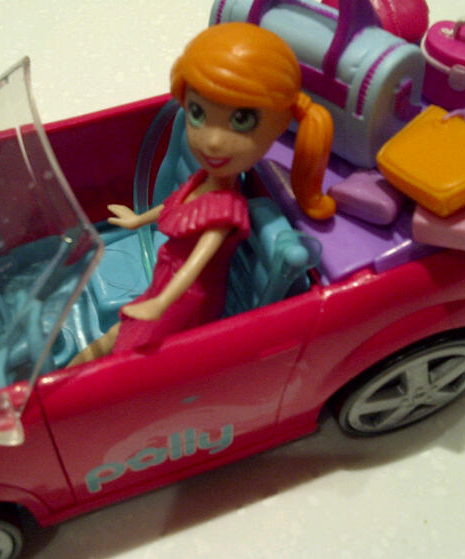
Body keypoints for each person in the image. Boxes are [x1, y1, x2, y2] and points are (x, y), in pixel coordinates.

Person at [68, 22, 333, 365]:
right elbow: (174, 204)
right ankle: (56, 380)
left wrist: (161, 304)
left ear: (280, 124)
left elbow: (197, 264)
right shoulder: (204, 179)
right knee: (116, 337)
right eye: (198, 113)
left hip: (184, 298)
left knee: (128, 353)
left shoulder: (226, 210)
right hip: (165, 280)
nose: (213, 141)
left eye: (241, 120)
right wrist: (138, 220)